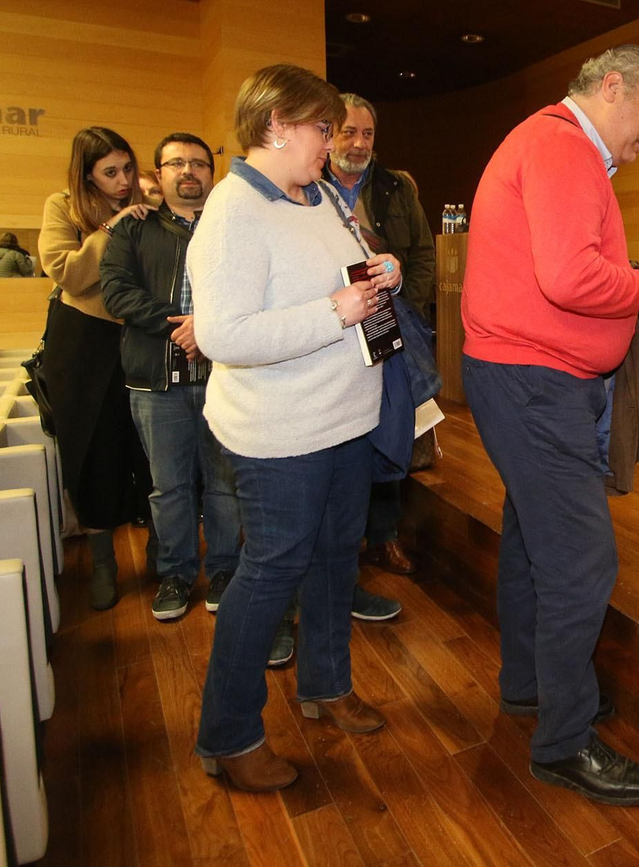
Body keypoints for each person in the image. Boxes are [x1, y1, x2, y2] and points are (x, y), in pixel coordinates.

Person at [461, 44, 639, 806]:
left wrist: (637, 282)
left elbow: (559, 273)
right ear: (612, 88)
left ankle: (531, 685)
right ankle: (564, 741)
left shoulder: (548, 142)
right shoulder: (564, 146)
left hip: (520, 376)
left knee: (534, 542)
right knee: (581, 560)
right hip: (535, 384)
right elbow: (568, 278)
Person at [189, 63, 401, 793]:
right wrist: (332, 314)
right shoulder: (233, 212)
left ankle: (325, 686)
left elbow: (339, 272)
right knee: (270, 574)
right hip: (281, 434)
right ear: (276, 124)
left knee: (337, 558)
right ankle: (230, 733)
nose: (333, 140)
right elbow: (225, 334)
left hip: (343, 417)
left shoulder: (316, 197)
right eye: (321, 126)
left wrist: (380, 271)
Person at [100, 132, 243, 623]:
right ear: (158, 174)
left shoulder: (231, 228)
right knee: (170, 488)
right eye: (176, 163)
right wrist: (179, 327)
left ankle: (224, 570)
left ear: (212, 173)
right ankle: (177, 575)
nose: (188, 172)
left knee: (225, 485)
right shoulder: (133, 230)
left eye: (199, 164)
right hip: (156, 382)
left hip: (225, 377)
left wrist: (210, 331)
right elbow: (117, 291)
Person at [39, 127, 156, 610]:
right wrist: (112, 228)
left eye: (127, 168)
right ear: (86, 175)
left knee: (149, 450)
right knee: (93, 452)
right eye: (110, 173)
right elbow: (65, 271)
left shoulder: (150, 202)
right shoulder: (62, 206)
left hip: (140, 333)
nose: (123, 180)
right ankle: (104, 561)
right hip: (85, 341)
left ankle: (160, 555)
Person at [326, 92, 435, 576]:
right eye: (349, 131)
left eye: (367, 133)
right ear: (329, 133)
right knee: (342, 437)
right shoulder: (309, 187)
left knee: (390, 427)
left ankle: (385, 536)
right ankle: (342, 547)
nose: (358, 142)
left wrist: (405, 302)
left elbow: (423, 251)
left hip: (386, 326)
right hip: (331, 331)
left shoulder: (396, 187)